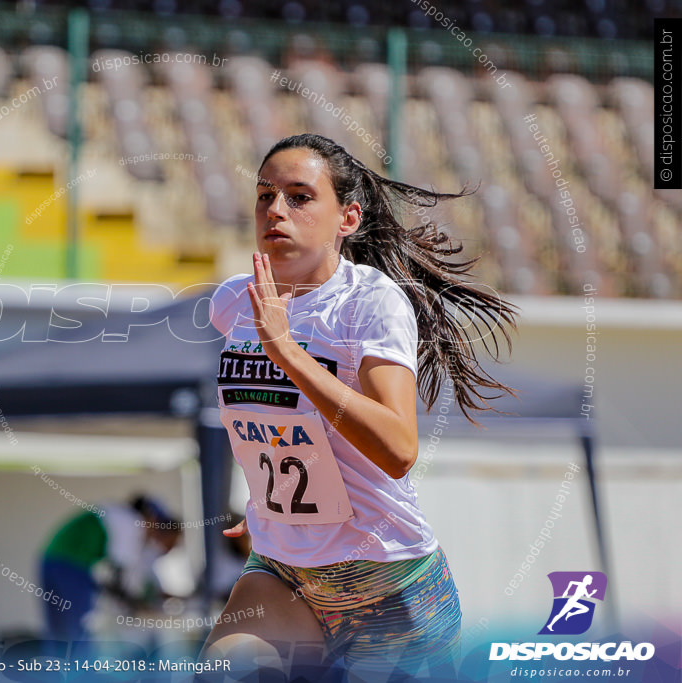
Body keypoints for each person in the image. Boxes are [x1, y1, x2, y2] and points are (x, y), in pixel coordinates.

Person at [201, 134, 516, 681]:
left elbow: (398, 449)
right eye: (264, 195)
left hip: (387, 584)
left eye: (299, 196)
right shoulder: (233, 301)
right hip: (283, 569)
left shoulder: (370, 304)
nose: (275, 209)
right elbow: (262, 416)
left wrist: (289, 353)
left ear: (347, 218)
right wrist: (265, 500)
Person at [39, 495, 181, 644]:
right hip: (71, 565)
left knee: (60, 631)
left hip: (52, 561)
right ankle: (77, 666)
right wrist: (135, 606)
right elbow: (119, 575)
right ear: (150, 517)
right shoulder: (131, 522)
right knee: (78, 630)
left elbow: (114, 577)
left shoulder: (118, 514)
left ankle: (56, 665)